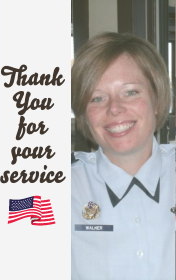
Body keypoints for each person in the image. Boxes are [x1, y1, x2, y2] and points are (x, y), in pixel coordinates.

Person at [71, 32, 174, 280]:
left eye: (130, 92)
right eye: (97, 98)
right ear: (85, 114)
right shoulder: (59, 189)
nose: (114, 108)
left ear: (157, 99)